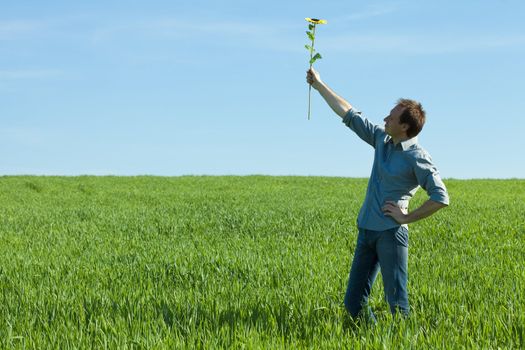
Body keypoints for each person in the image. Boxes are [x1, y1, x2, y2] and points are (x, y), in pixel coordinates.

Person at [306, 67, 449, 321]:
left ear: (404, 126)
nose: (385, 119)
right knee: (353, 305)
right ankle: (370, 340)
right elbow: (349, 113)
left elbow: (441, 197)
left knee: (397, 305)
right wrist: (319, 85)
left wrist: (406, 217)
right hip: (367, 230)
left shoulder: (417, 157)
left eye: (391, 118)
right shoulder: (381, 140)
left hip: (391, 235)